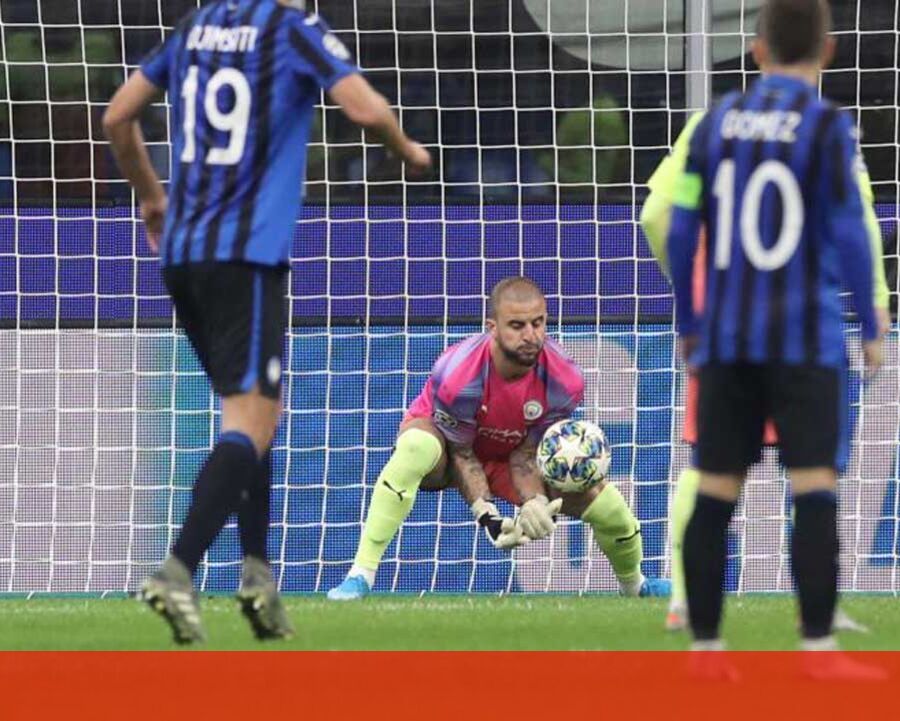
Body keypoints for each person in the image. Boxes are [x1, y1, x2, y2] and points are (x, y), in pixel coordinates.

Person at [102, 0, 430, 644]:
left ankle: (258, 576)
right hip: (246, 258)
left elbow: (117, 115)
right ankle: (177, 570)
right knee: (249, 421)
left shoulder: (194, 29)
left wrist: (151, 194)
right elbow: (364, 109)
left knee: (256, 415)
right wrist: (406, 146)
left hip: (182, 257)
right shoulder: (290, 30)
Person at [666, 0, 885, 675]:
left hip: (728, 338)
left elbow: (681, 226)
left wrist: (688, 321)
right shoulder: (827, 126)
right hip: (805, 339)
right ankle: (817, 646)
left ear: (756, 50)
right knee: (813, 486)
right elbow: (849, 231)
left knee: (715, 489)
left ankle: (706, 647)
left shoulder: (716, 122)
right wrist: (870, 322)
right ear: (828, 50)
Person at [327, 277, 671, 599]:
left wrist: (535, 501)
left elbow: (527, 453)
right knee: (417, 447)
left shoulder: (564, 379)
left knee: (607, 504)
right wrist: (487, 515)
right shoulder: (458, 376)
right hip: (447, 451)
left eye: (538, 323)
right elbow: (462, 453)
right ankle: (360, 575)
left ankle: (635, 585)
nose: (531, 335)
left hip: (510, 454)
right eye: (517, 326)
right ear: (492, 327)